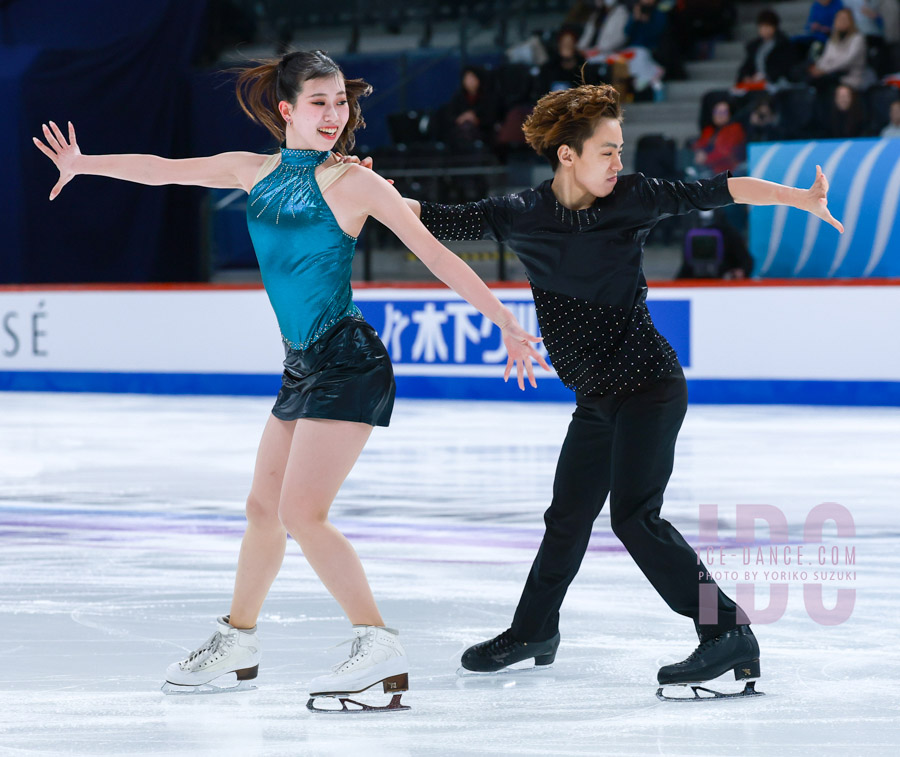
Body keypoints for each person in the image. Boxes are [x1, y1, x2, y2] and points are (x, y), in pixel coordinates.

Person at [32, 49, 547, 712]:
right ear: (287, 109)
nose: (335, 115)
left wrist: (504, 317)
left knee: (303, 513)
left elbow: (435, 253)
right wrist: (84, 164)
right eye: (319, 103)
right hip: (301, 366)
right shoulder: (254, 171)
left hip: (348, 362)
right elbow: (163, 171)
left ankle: (377, 645)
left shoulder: (355, 183)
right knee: (262, 509)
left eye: (341, 103)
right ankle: (238, 639)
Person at [391, 83, 843, 699]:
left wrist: (797, 198)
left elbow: (721, 188)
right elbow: (436, 218)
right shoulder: (523, 211)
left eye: (620, 149)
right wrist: (370, 192)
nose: (618, 162)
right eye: (606, 151)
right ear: (567, 155)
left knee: (634, 516)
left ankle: (726, 630)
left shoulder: (634, 197)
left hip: (650, 388)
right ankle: (533, 631)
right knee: (568, 517)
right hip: (597, 400)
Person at [808, 8, 872, 90]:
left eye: (845, 19)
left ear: (851, 21)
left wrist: (825, 70)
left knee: (823, 80)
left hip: (851, 76)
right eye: (839, 18)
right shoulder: (833, 39)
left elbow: (847, 60)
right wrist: (818, 68)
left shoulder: (858, 38)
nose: (841, 21)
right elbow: (825, 58)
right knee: (811, 77)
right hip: (833, 74)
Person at [736, 10, 796, 89]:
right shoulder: (755, 46)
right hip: (756, 83)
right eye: (762, 27)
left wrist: (766, 77)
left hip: (775, 83)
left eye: (767, 27)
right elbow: (746, 66)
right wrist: (746, 77)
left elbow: (783, 67)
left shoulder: (783, 45)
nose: (764, 30)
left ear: (774, 27)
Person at [692, 99, 747, 175]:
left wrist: (706, 158)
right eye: (717, 112)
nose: (719, 115)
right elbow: (700, 144)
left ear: (730, 114)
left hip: (730, 170)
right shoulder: (709, 130)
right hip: (712, 169)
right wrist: (699, 152)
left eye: (723, 112)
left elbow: (725, 152)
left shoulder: (734, 129)